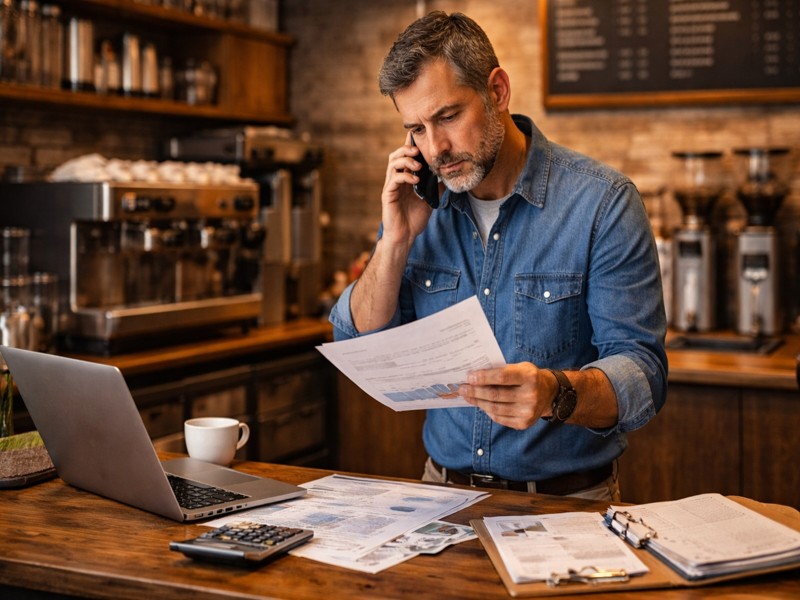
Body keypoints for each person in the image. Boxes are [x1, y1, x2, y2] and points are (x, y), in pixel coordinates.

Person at [329, 11, 668, 501]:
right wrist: (395, 240)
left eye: (448, 117)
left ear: (498, 91)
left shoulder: (603, 203)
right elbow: (357, 341)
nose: (436, 149)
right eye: (417, 129)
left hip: (565, 506)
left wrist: (557, 393)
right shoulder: (416, 202)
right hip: (441, 495)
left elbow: (644, 374)